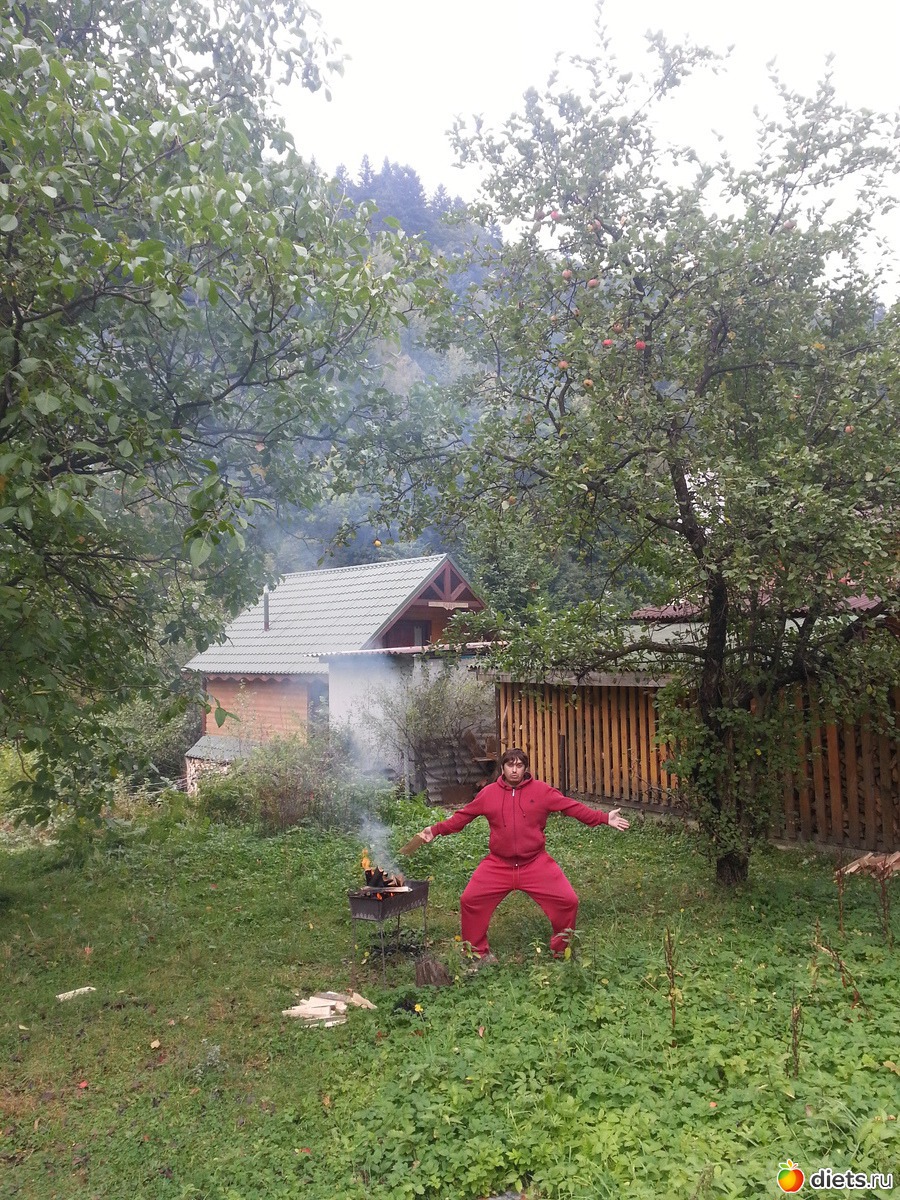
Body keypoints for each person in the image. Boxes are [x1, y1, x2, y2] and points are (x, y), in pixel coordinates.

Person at [401, 747, 630, 962]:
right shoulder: (488, 794)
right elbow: (463, 816)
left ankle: (562, 951)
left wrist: (603, 817)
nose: (514, 770)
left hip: (535, 863)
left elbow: (570, 807)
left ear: (525, 768)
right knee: (470, 900)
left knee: (567, 901)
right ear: (502, 768)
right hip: (499, 864)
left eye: (519, 765)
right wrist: (435, 830)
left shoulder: (541, 791)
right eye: (510, 765)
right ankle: (477, 954)